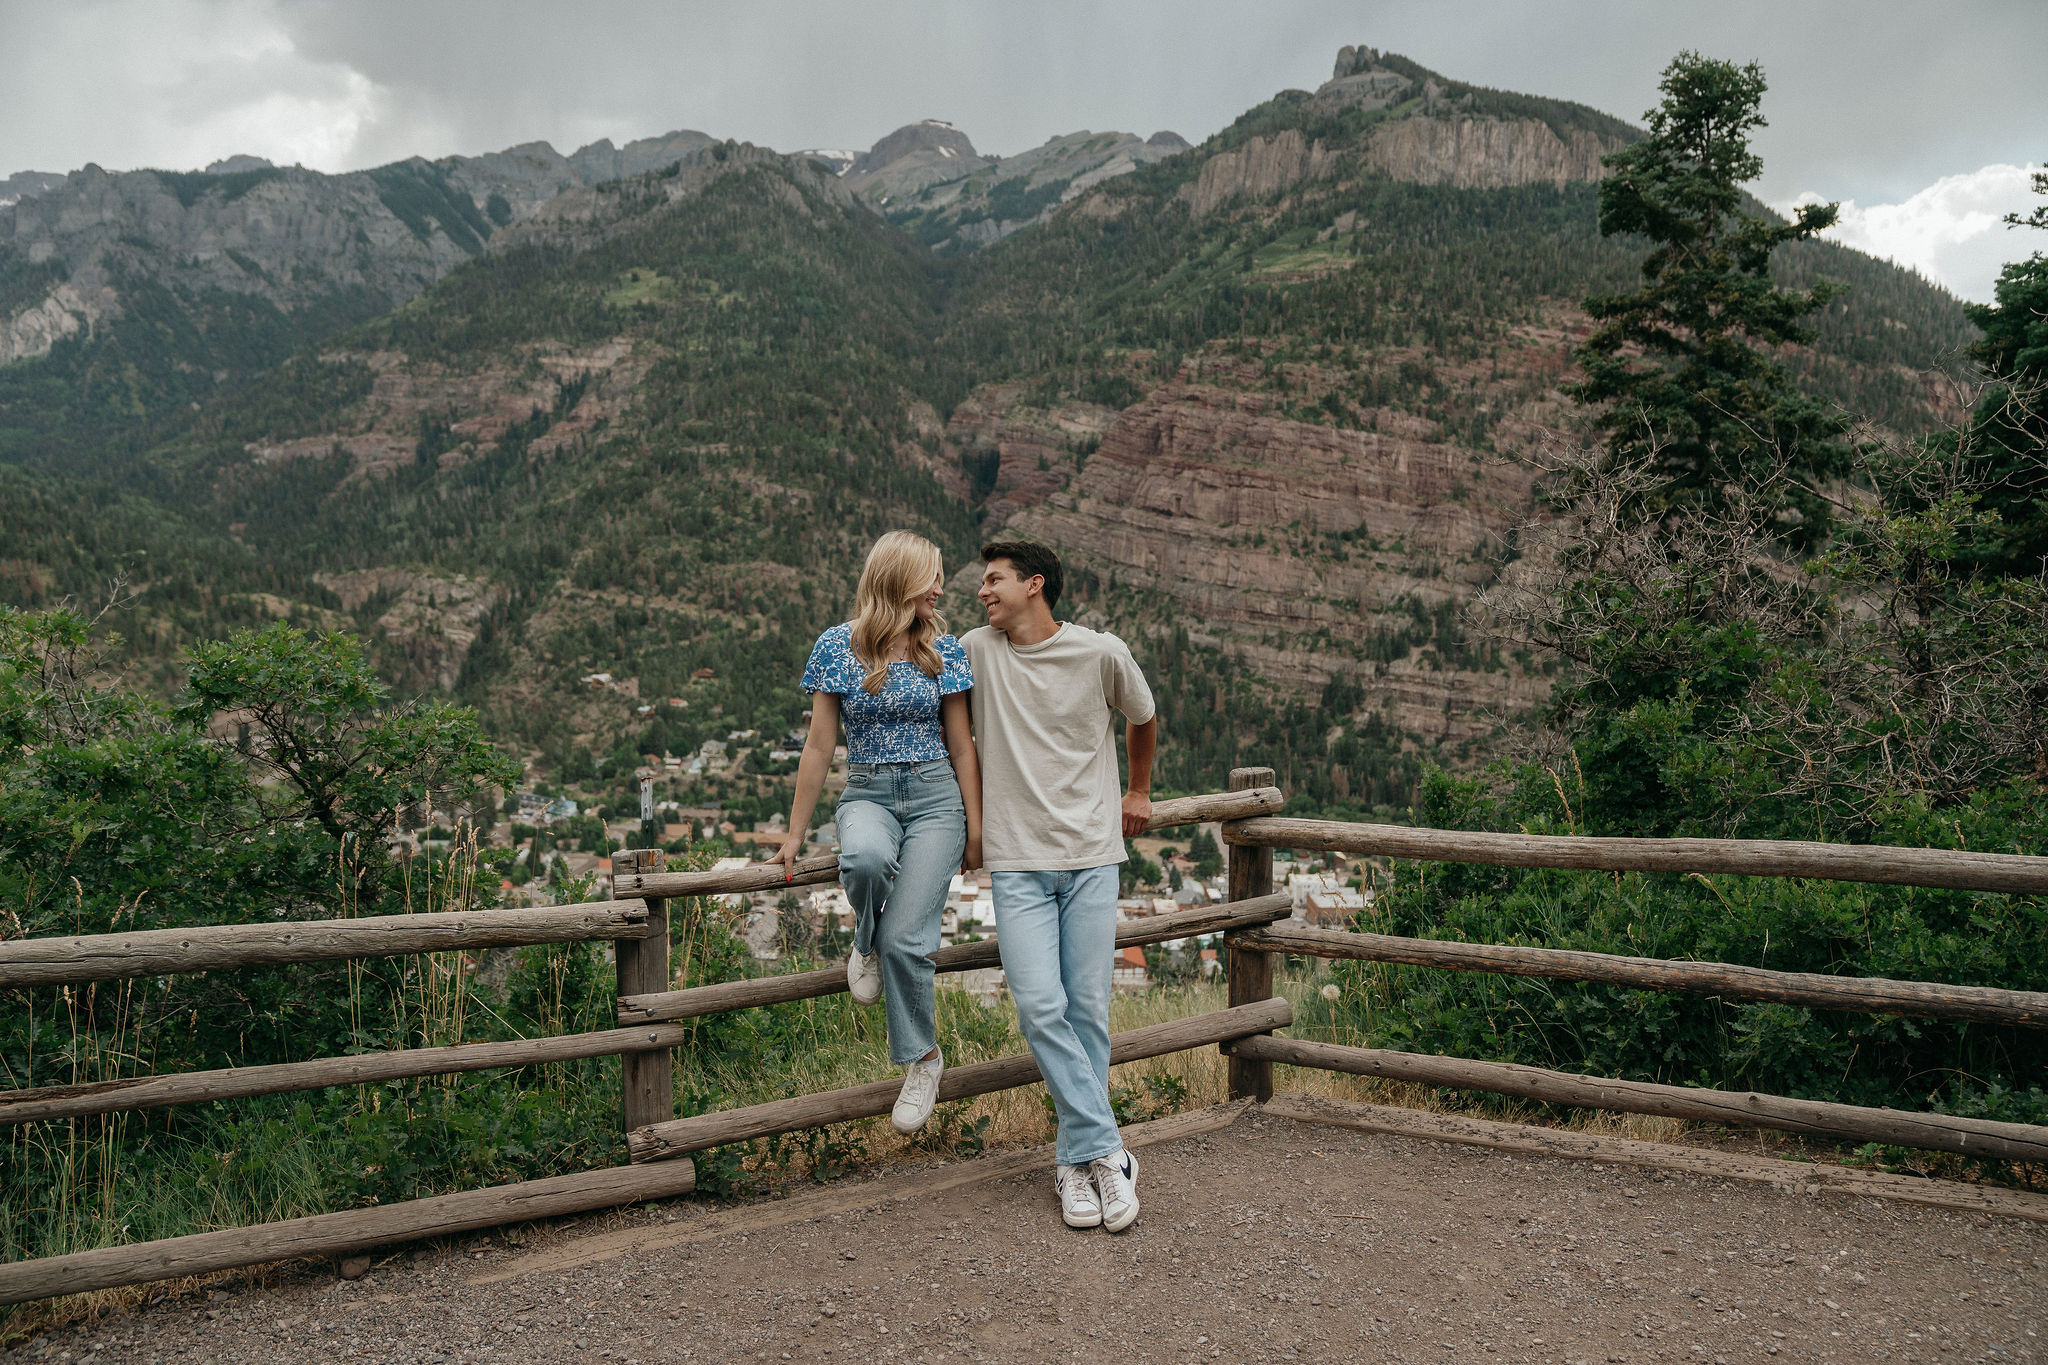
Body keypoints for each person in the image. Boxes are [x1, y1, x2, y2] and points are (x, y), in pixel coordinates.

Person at [962, 540, 1156, 1233]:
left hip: (1091, 855)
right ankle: (1108, 1151)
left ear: (1034, 584)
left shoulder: (1101, 652)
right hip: (1015, 859)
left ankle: (1075, 1165)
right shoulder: (975, 649)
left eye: (994, 579)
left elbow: (1143, 712)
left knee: (1089, 1009)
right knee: (1042, 1006)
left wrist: (1138, 787)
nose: (982, 590)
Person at [774, 531, 981, 1134]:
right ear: (899, 580)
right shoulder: (837, 647)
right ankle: (863, 939)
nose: (942, 588)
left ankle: (922, 1059)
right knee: (863, 859)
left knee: (909, 939)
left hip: (937, 795)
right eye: (932, 577)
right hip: (866, 788)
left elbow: (963, 744)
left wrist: (975, 827)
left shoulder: (943, 651)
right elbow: (818, 746)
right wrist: (795, 832)